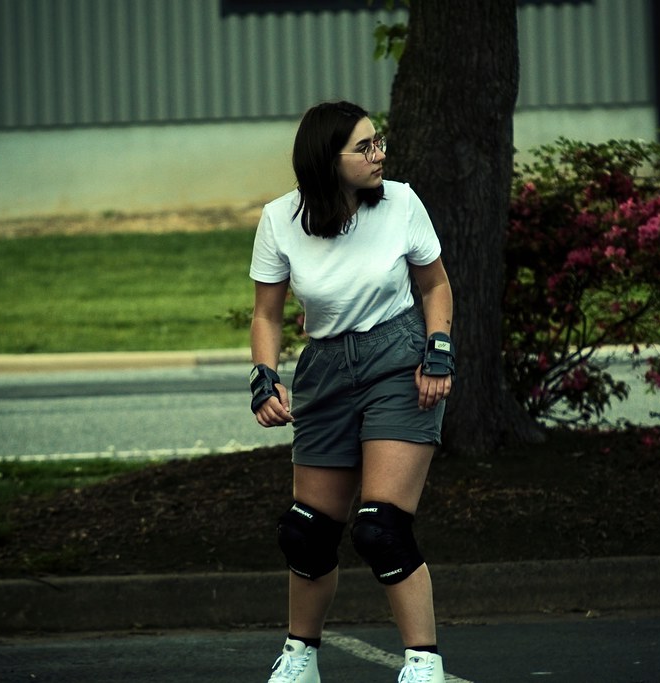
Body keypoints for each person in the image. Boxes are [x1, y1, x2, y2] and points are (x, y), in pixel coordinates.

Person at [248, 100, 455, 683]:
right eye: (364, 147)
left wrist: (438, 349)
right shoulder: (279, 219)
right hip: (326, 370)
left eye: (378, 141)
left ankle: (423, 665)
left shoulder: (401, 203)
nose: (379, 154)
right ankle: (300, 659)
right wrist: (264, 376)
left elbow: (435, 284)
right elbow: (267, 315)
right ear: (326, 160)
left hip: (397, 359)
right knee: (308, 531)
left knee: (380, 527)